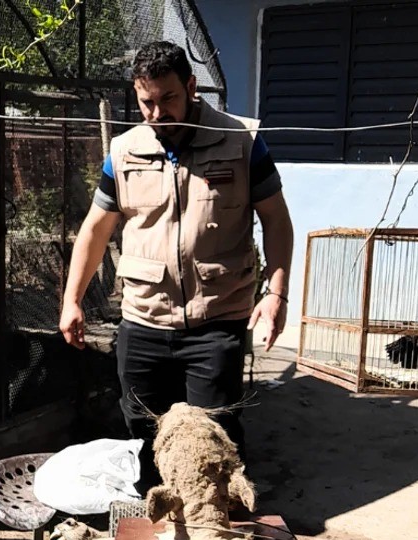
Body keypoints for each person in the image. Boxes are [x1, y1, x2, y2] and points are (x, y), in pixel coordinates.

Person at [59, 41, 294, 485]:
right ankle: (157, 535)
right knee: (143, 436)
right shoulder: (124, 151)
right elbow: (95, 229)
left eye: (168, 99)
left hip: (216, 322)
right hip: (143, 321)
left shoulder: (242, 142)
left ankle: (214, 535)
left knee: (213, 440)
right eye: (147, 102)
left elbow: (278, 222)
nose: (157, 113)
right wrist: (72, 300)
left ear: (190, 87)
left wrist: (275, 293)